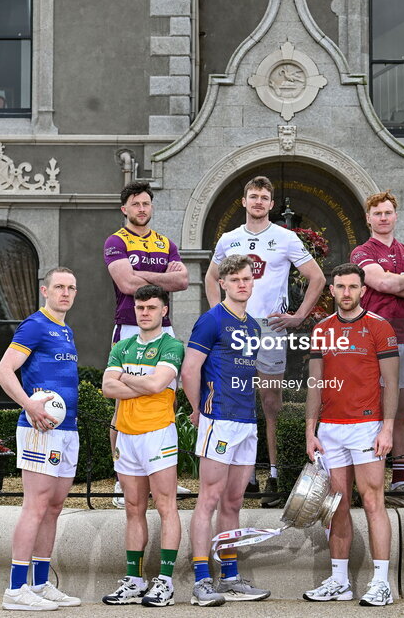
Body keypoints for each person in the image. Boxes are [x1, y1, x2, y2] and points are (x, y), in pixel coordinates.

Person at [205, 176, 326, 506]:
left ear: (271, 205)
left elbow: (317, 277)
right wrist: (221, 317)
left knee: (271, 403)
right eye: (253, 196)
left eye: (264, 197)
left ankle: (273, 474)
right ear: (244, 201)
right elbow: (211, 277)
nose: (258, 201)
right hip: (237, 328)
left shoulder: (285, 238)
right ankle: (246, 477)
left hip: (270, 328)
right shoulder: (229, 238)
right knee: (236, 399)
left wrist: (299, 315)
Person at [304, 263, 399, 606]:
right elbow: (315, 383)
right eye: (340, 287)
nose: (346, 293)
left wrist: (387, 428)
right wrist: (309, 430)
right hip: (330, 430)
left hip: (367, 426)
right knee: (337, 505)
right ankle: (340, 582)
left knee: (373, 501)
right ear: (331, 290)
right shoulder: (321, 330)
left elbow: (392, 382)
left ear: (362, 290)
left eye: (352, 287)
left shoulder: (379, 327)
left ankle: (381, 583)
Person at [184, 254, 271, 605]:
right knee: (208, 499)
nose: (242, 284)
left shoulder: (253, 326)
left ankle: (231, 578)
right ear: (222, 283)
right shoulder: (211, 320)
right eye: (234, 279)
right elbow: (190, 371)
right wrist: (197, 410)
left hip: (246, 422)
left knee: (233, 502)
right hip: (218, 419)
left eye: (247, 279)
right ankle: (202, 582)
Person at [0, 267, 82, 611]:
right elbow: (3, 371)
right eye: (59, 287)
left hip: (67, 429)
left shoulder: (66, 329)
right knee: (35, 505)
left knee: (54, 507)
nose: (65, 292)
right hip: (39, 429)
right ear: (45, 291)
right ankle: (15, 590)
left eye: (71, 287)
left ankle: (41, 584)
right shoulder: (34, 324)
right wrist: (28, 404)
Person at [104, 180, 189, 508]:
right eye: (136, 204)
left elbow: (182, 280)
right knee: (122, 406)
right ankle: (119, 480)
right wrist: (161, 278)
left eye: (146, 204)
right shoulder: (116, 241)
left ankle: (164, 479)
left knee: (165, 399)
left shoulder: (164, 242)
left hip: (164, 329)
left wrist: (143, 274)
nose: (142, 209)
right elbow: (126, 284)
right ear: (124, 209)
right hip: (127, 326)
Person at [101, 285, 185, 608]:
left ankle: (164, 582)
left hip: (158, 434)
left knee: (166, 507)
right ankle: (134, 581)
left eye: (151, 307)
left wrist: (126, 381)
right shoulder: (121, 346)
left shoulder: (172, 345)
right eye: (140, 308)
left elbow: (156, 384)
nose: (145, 313)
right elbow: (108, 388)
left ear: (164, 310)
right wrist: (140, 385)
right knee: (133, 510)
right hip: (127, 434)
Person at [350, 191, 404, 507]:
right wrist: (403, 281)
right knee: (371, 412)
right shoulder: (362, 252)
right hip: (373, 342)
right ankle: (370, 484)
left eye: (388, 213)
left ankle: (399, 483)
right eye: (378, 213)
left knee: (402, 413)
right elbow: (380, 284)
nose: (383, 218)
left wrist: (395, 279)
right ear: (368, 218)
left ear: (396, 216)